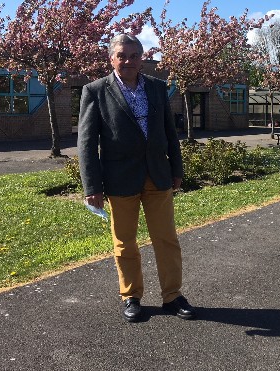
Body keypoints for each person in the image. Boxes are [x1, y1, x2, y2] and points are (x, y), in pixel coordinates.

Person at [78, 34, 196, 322]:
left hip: (158, 175)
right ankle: (131, 296)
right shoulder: (95, 91)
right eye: (122, 55)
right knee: (124, 242)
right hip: (119, 179)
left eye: (133, 55)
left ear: (141, 58)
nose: (128, 61)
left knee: (167, 238)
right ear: (112, 58)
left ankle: (172, 295)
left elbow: (170, 132)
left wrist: (177, 169)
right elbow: (86, 142)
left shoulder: (156, 88)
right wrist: (92, 186)